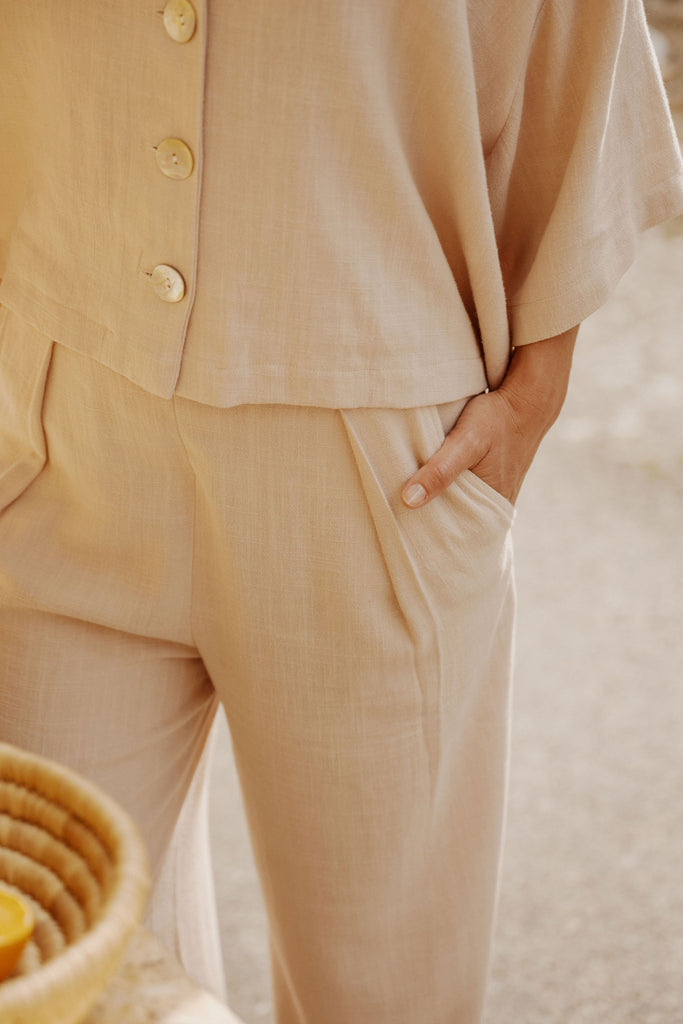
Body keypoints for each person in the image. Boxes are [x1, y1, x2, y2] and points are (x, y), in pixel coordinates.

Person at [1, 1, 681, 1021]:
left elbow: (574, 36)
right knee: (66, 978)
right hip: (57, 425)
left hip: (375, 459)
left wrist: (539, 385)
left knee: (381, 998)